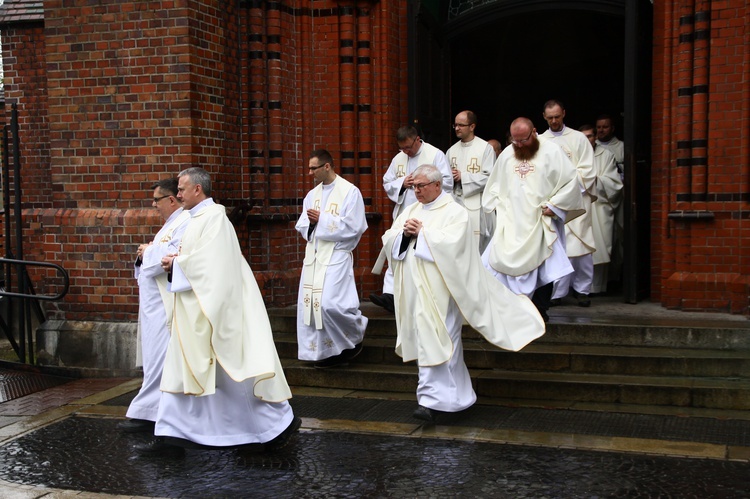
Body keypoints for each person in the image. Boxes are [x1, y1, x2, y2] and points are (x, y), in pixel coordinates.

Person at [137, 167, 299, 455]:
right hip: (194, 308)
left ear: (197, 189)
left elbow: (214, 263)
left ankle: (276, 426)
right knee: (184, 371)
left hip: (213, 311)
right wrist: (179, 260)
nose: (179, 194)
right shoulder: (196, 218)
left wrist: (178, 264)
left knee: (233, 378)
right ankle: (170, 434)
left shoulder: (214, 218)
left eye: (183, 189)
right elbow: (199, 259)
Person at [380, 164, 545, 422]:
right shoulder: (410, 210)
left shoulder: (456, 212)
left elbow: (456, 247)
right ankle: (457, 399)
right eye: (414, 187)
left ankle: (433, 402)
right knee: (425, 341)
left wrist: (423, 234)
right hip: (414, 289)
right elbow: (389, 239)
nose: (416, 191)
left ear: (437, 185)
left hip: (443, 291)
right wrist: (402, 234)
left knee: (443, 342)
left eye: (421, 186)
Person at [482, 117, 584, 322]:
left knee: (543, 266)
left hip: (541, 220)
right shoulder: (507, 155)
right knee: (499, 264)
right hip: (512, 222)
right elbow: (494, 185)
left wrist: (555, 206)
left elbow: (571, 182)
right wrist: (497, 204)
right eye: (515, 141)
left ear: (534, 132)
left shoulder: (552, 152)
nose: (519, 146)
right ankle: (511, 311)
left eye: (523, 140)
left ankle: (540, 311)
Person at [119, 178, 191, 434]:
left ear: (171, 199)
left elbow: (168, 257)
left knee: (160, 358)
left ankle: (150, 413)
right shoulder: (170, 225)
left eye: (157, 200)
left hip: (165, 307)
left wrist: (148, 251)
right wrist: (146, 252)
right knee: (153, 358)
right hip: (153, 306)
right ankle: (149, 411)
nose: (153, 205)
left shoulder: (184, 221)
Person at [295, 149, 368, 368]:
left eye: (313, 168)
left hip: (336, 256)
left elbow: (355, 226)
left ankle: (354, 336)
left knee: (329, 305)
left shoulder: (350, 192)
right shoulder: (312, 195)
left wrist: (323, 220)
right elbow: (302, 225)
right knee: (309, 306)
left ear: (327, 166)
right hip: (314, 258)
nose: (310, 173)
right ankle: (325, 353)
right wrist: (314, 224)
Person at [370, 125, 453, 314]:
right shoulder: (399, 158)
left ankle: (415, 294)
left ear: (417, 139)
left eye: (408, 147)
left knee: (416, 254)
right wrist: (402, 183)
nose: (406, 152)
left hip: (428, 212)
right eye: (402, 148)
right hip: (404, 213)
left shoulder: (435, 154)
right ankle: (390, 293)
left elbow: (446, 182)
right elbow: (387, 182)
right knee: (395, 248)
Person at [539, 100, 597, 307]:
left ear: (564, 113)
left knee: (580, 247)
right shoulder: (540, 141)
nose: (554, 121)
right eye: (550, 118)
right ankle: (557, 291)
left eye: (557, 116)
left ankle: (582, 290)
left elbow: (588, 170)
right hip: (553, 202)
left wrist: (570, 191)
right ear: (544, 117)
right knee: (556, 247)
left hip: (577, 200)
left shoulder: (578, 138)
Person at [580, 124, 623, 294]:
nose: (587, 140)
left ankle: (597, 287)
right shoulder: (573, 155)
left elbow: (614, 184)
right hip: (579, 207)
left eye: (590, 136)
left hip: (599, 207)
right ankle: (576, 289)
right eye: (583, 137)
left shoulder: (606, 155)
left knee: (598, 248)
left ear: (595, 137)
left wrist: (594, 180)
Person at [445, 110, 496, 253]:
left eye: (461, 125)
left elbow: (490, 177)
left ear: (472, 126)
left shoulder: (485, 148)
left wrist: (464, 177)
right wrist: (451, 177)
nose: (456, 128)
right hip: (456, 203)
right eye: (455, 125)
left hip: (477, 205)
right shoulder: (451, 151)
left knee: (477, 247)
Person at [595, 114, 625, 180]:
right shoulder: (592, 146)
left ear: (612, 128)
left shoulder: (622, 147)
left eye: (605, 127)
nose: (601, 130)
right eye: (598, 127)